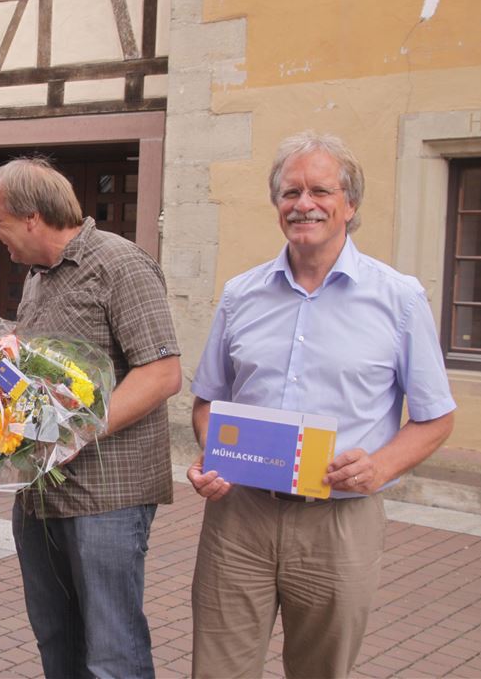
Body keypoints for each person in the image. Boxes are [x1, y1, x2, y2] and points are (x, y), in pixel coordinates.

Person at [187, 131, 456, 679]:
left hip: (340, 522)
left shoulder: (399, 299)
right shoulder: (241, 295)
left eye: (320, 191)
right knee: (216, 671)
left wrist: (379, 466)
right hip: (240, 517)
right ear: (276, 205)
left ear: (349, 204)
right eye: (290, 193)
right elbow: (207, 402)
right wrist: (212, 455)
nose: (303, 204)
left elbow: (436, 417)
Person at [0, 158, 182, 679]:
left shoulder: (120, 263)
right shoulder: (36, 280)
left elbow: (161, 373)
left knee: (112, 649)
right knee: (57, 640)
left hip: (107, 497)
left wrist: (72, 429)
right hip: (42, 492)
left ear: (30, 217)